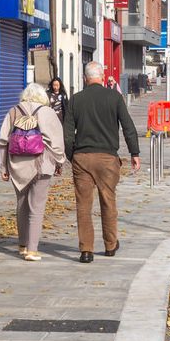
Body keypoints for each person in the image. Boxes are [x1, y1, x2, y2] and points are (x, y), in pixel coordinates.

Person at [65, 61, 141, 263]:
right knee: (108, 201)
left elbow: (67, 134)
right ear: (101, 76)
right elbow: (128, 126)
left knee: (83, 205)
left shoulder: (75, 100)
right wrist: (135, 153)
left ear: (84, 78)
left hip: (82, 157)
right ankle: (109, 245)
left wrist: (71, 156)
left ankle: (86, 250)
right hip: (107, 158)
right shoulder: (114, 97)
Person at [0, 83, 65, 262]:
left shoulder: (13, 111)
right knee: (37, 207)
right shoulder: (47, 112)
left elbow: (3, 140)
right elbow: (57, 141)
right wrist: (60, 162)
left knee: (21, 205)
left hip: (17, 164)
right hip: (41, 164)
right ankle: (32, 250)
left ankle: (22, 244)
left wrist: (4, 167)